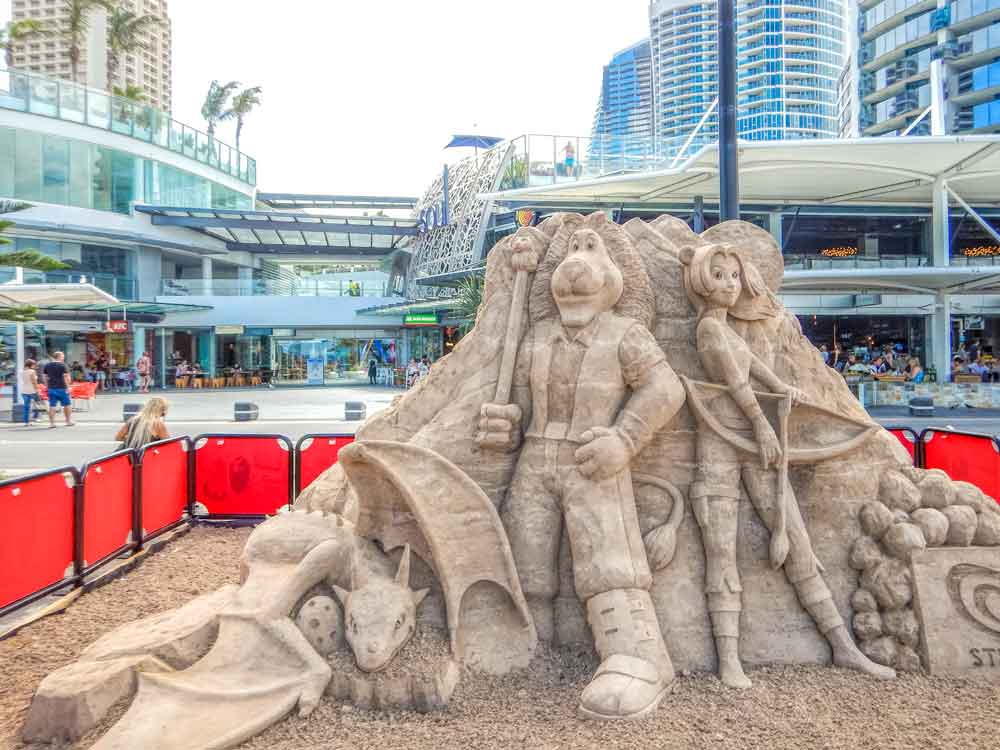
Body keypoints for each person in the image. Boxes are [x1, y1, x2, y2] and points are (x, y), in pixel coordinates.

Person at [679, 241, 893, 689]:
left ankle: (841, 644)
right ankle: (729, 658)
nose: (729, 285)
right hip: (722, 439)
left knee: (794, 535)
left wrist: (783, 388)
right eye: (718, 276)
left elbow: (752, 365)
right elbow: (735, 382)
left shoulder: (728, 329)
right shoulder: (708, 330)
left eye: (734, 275)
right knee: (721, 549)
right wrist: (761, 424)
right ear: (700, 280)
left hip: (756, 439)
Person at [43, 351, 75, 428]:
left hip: (51, 388)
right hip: (62, 388)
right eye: (62, 356)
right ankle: (68, 421)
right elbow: (66, 377)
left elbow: (44, 377)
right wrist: (68, 387)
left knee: (52, 406)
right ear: (59, 357)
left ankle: (52, 423)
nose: (63, 358)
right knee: (67, 405)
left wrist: (47, 386)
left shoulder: (47, 365)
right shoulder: (63, 365)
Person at [19, 358, 40, 426]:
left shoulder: (21, 371)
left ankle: (26, 422)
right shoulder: (32, 371)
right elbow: (34, 382)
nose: (34, 366)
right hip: (32, 390)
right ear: (31, 365)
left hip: (24, 391)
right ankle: (36, 417)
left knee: (26, 407)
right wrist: (37, 389)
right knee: (38, 404)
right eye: (34, 365)